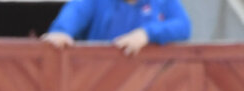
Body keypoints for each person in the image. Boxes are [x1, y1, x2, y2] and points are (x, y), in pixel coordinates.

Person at [42, 0, 191, 56]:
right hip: (97, 84)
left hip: (150, 87)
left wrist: (146, 34)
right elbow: (72, 15)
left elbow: (183, 26)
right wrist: (60, 32)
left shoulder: (163, 1)